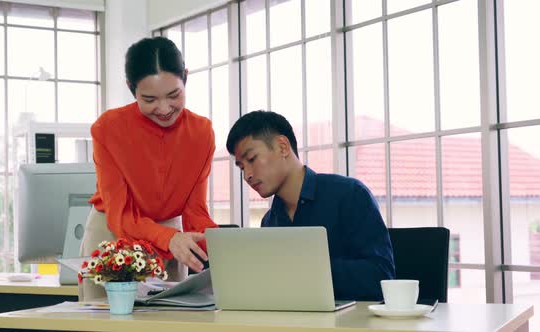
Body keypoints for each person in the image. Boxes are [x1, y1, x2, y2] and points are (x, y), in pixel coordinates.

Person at [79, 37, 217, 300]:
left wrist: (221, 246)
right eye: (150, 99)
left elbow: (195, 210)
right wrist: (169, 238)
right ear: (132, 88)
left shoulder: (202, 132)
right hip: (112, 231)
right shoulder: (107, 129)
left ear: (185, 78)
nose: (164, 109)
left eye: (174, 95)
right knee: (106, 322)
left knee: (171, 320)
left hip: (173, 237)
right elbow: (121, 215)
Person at [225, 110, 395, 301]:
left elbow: (381, 277)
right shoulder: (270, 221)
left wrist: (305, 270)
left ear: (282, 147)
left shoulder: (350, 195)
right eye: (241, 167)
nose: (247, 175)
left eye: (252, 159)